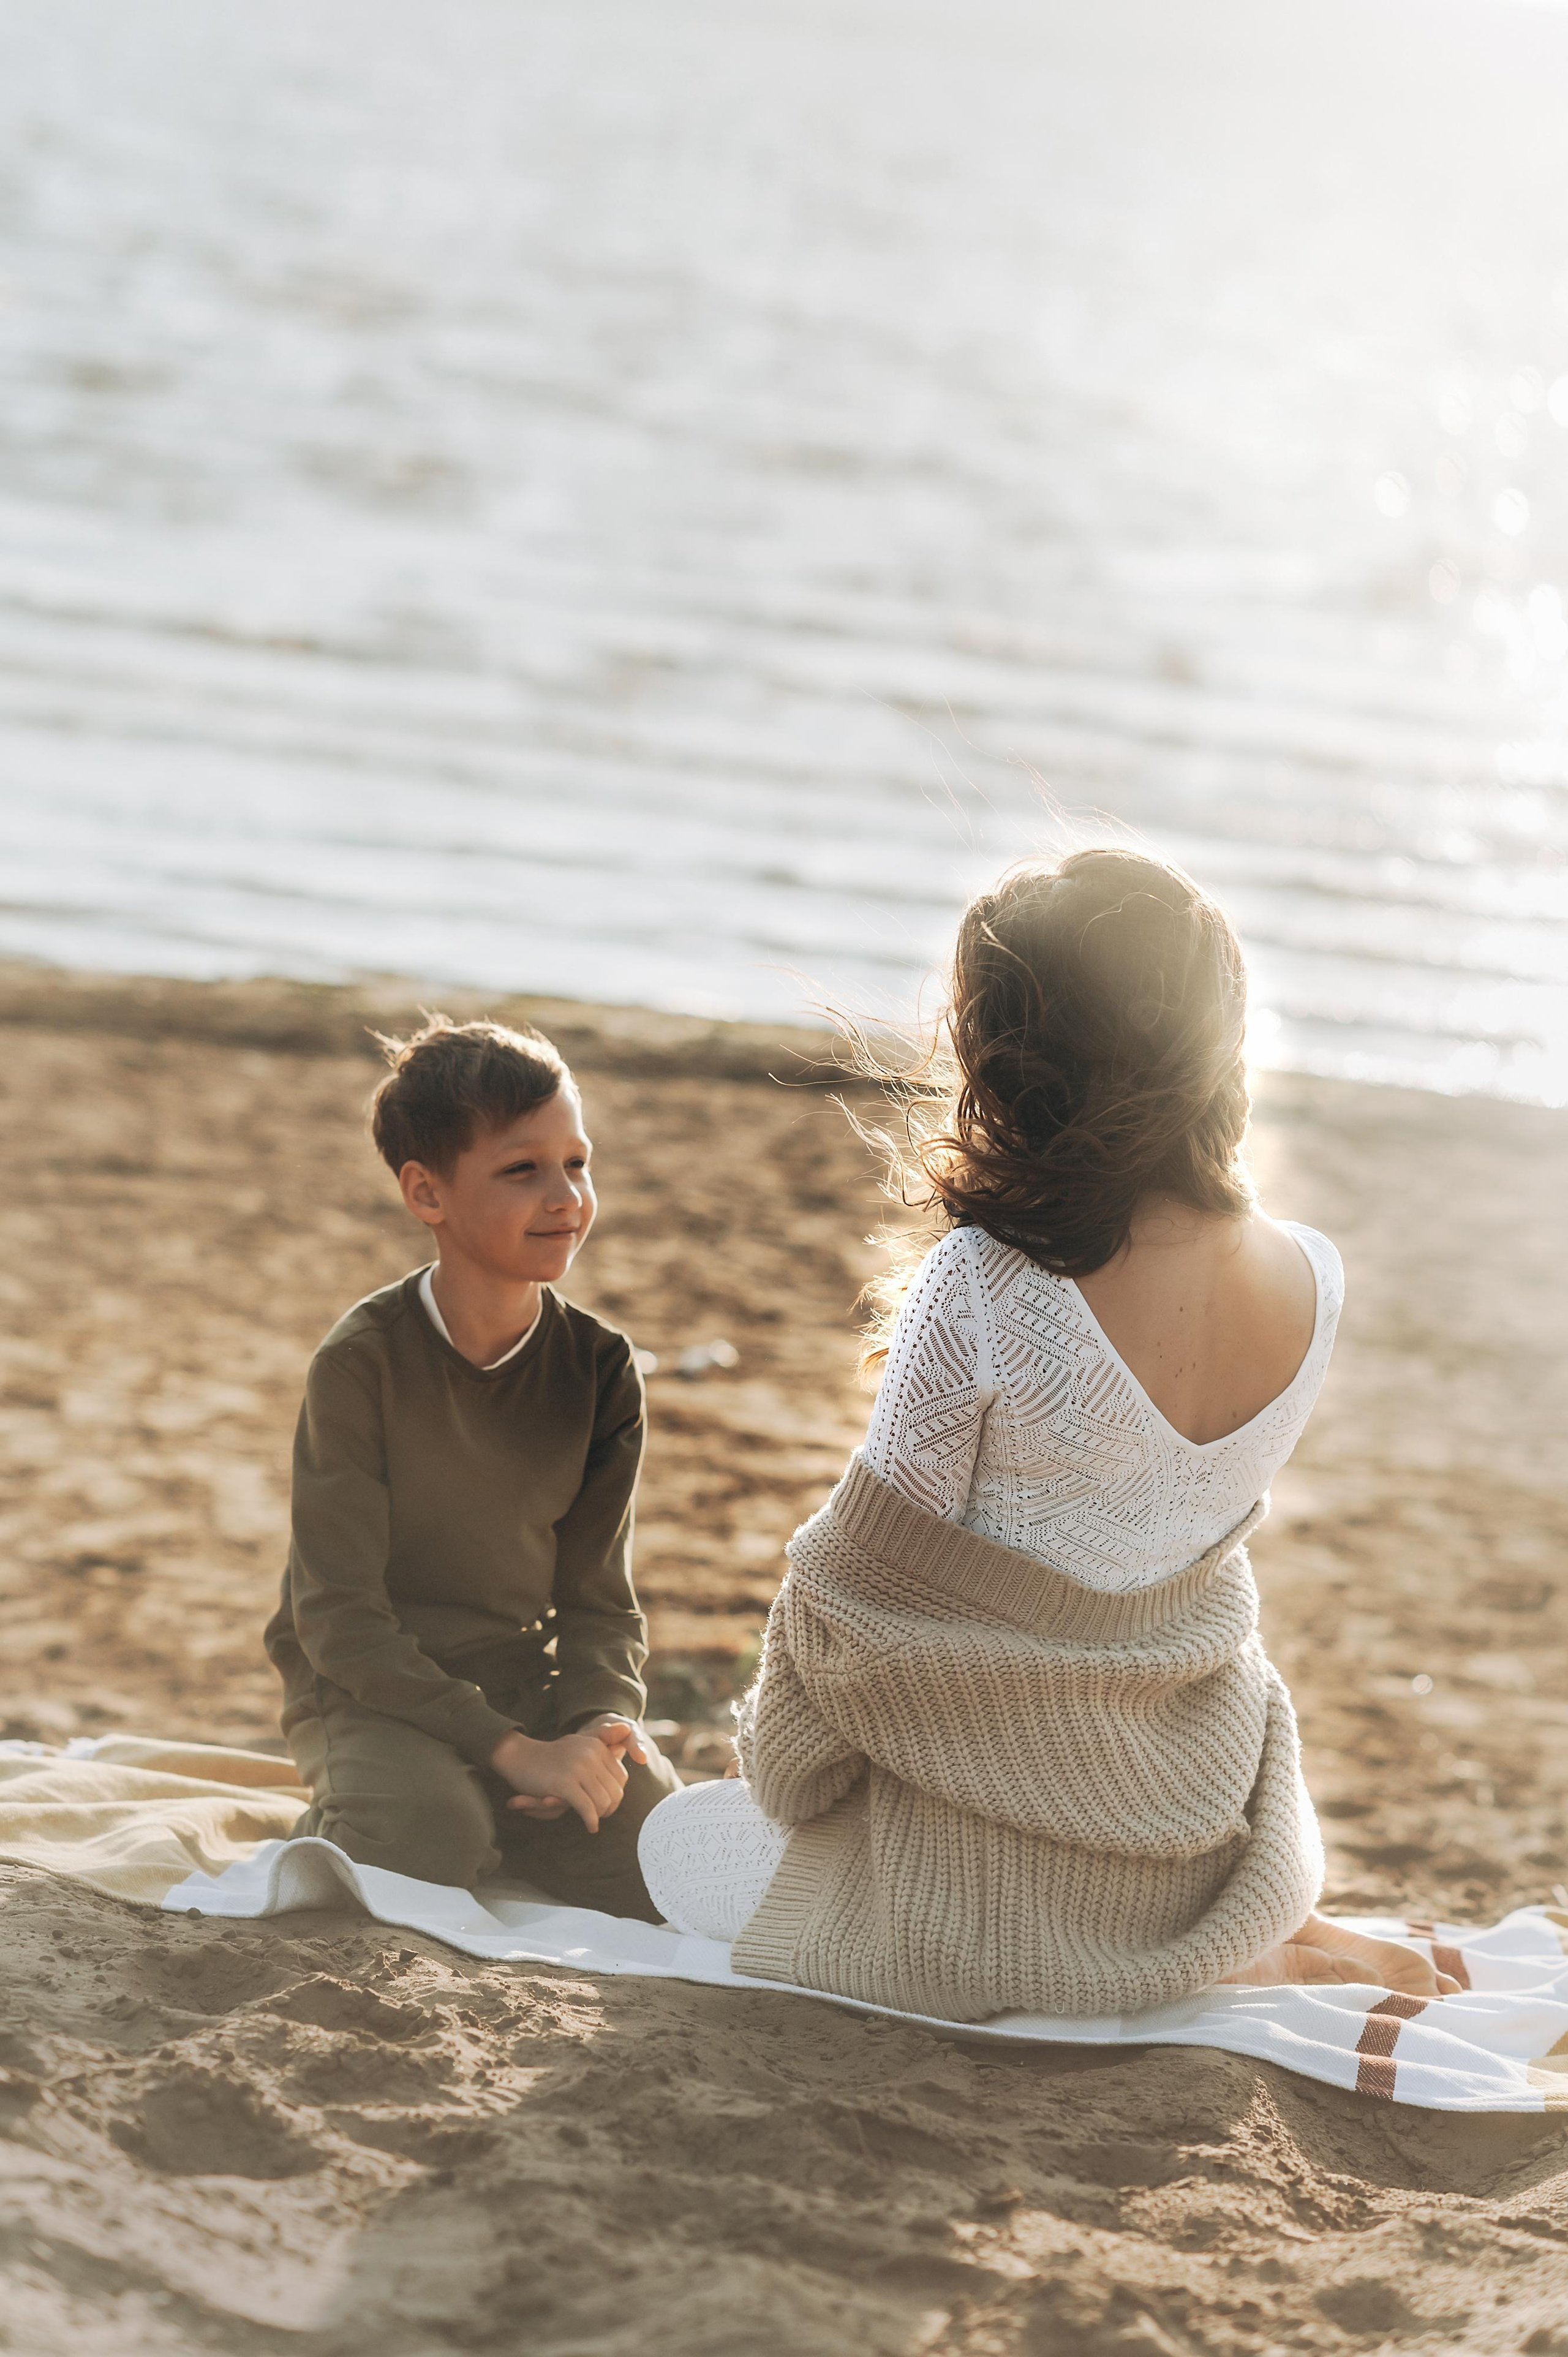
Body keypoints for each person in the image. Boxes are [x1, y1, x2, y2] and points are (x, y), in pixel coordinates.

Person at [639, 850, 1457, 2012]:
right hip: (1190, 1801)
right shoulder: (1314, 1279)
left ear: (1015, 1062)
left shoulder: (985, 1282)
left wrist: (783, 1770)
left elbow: (852, 1595)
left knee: (679, 1854)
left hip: (1001, 1815)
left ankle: (1168, 1946)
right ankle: (1242, 1928)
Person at [265, 1016, 681, 1918]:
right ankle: (400, 1798)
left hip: (520, 1681)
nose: (565, 1195)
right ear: (427, 1194)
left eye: (577, 1162)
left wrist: (594, 1728)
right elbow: (336, 1620)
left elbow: (601, 1603)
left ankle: (491, 1797)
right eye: (522, 1170)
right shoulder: (361, 1363)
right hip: (368, 1686)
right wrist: (508, 1751)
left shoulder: (602, 1369)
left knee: (665, 1853)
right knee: (427, 1845)